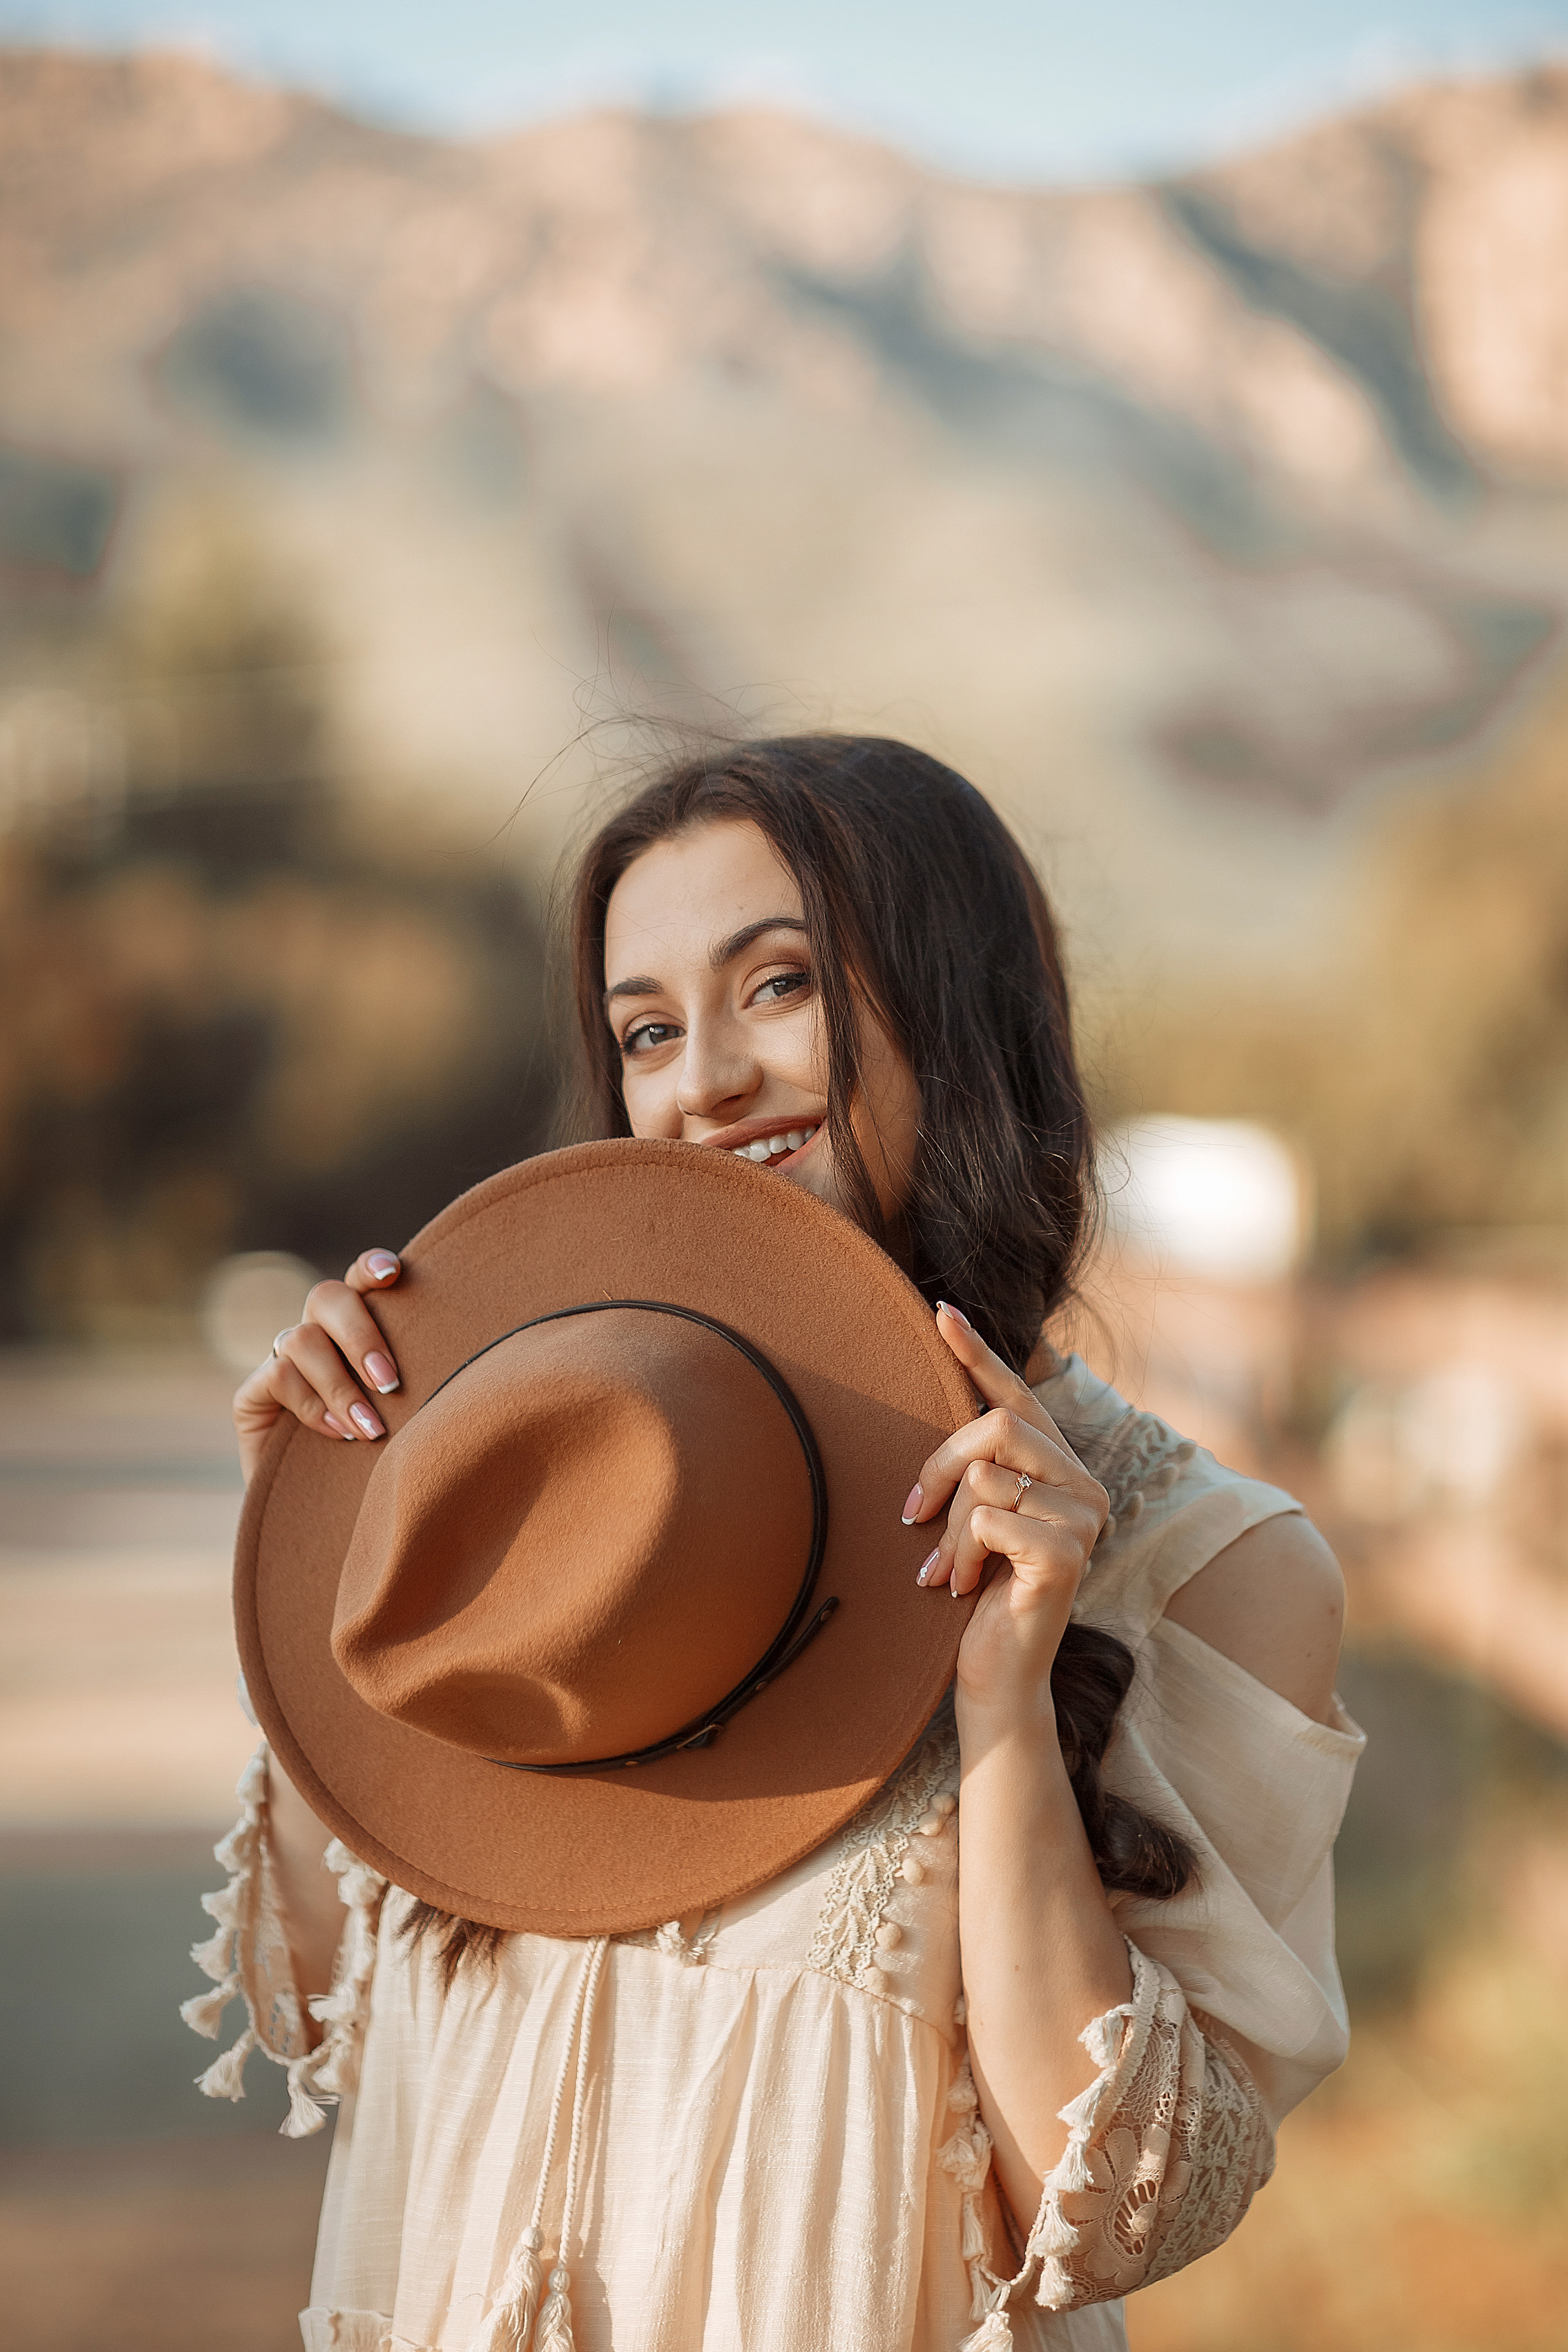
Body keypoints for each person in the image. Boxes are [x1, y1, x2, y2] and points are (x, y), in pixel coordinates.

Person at [190, 736, 1362, 2352]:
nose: (705, 1081)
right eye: (649, 1030)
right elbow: (340, 2019)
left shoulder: (1208, 1561)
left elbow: (1109, 2216)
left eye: (781, 986)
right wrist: (328, 1553)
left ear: (960, 1014)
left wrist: (1010, 1713)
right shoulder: (556, 1480)